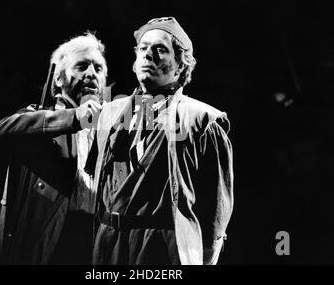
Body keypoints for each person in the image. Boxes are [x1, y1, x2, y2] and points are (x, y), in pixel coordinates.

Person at [87, 17, 234, 265]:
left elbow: (215, 212)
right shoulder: (111, 114)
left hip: (163, 251)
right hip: (108, 248)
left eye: (160, 50)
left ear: (179, 66)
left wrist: (200, 258)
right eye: (143, 49)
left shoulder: (202, 120)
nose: (148, 56)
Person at [0, 32, 107, 264]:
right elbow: (0, 132)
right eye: (81, 66)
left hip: (96, 240)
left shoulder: (110, 129)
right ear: (58, 79)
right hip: (50, 241)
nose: (91, 74)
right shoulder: (40, 119)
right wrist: (73, 117)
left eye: (98, 68)